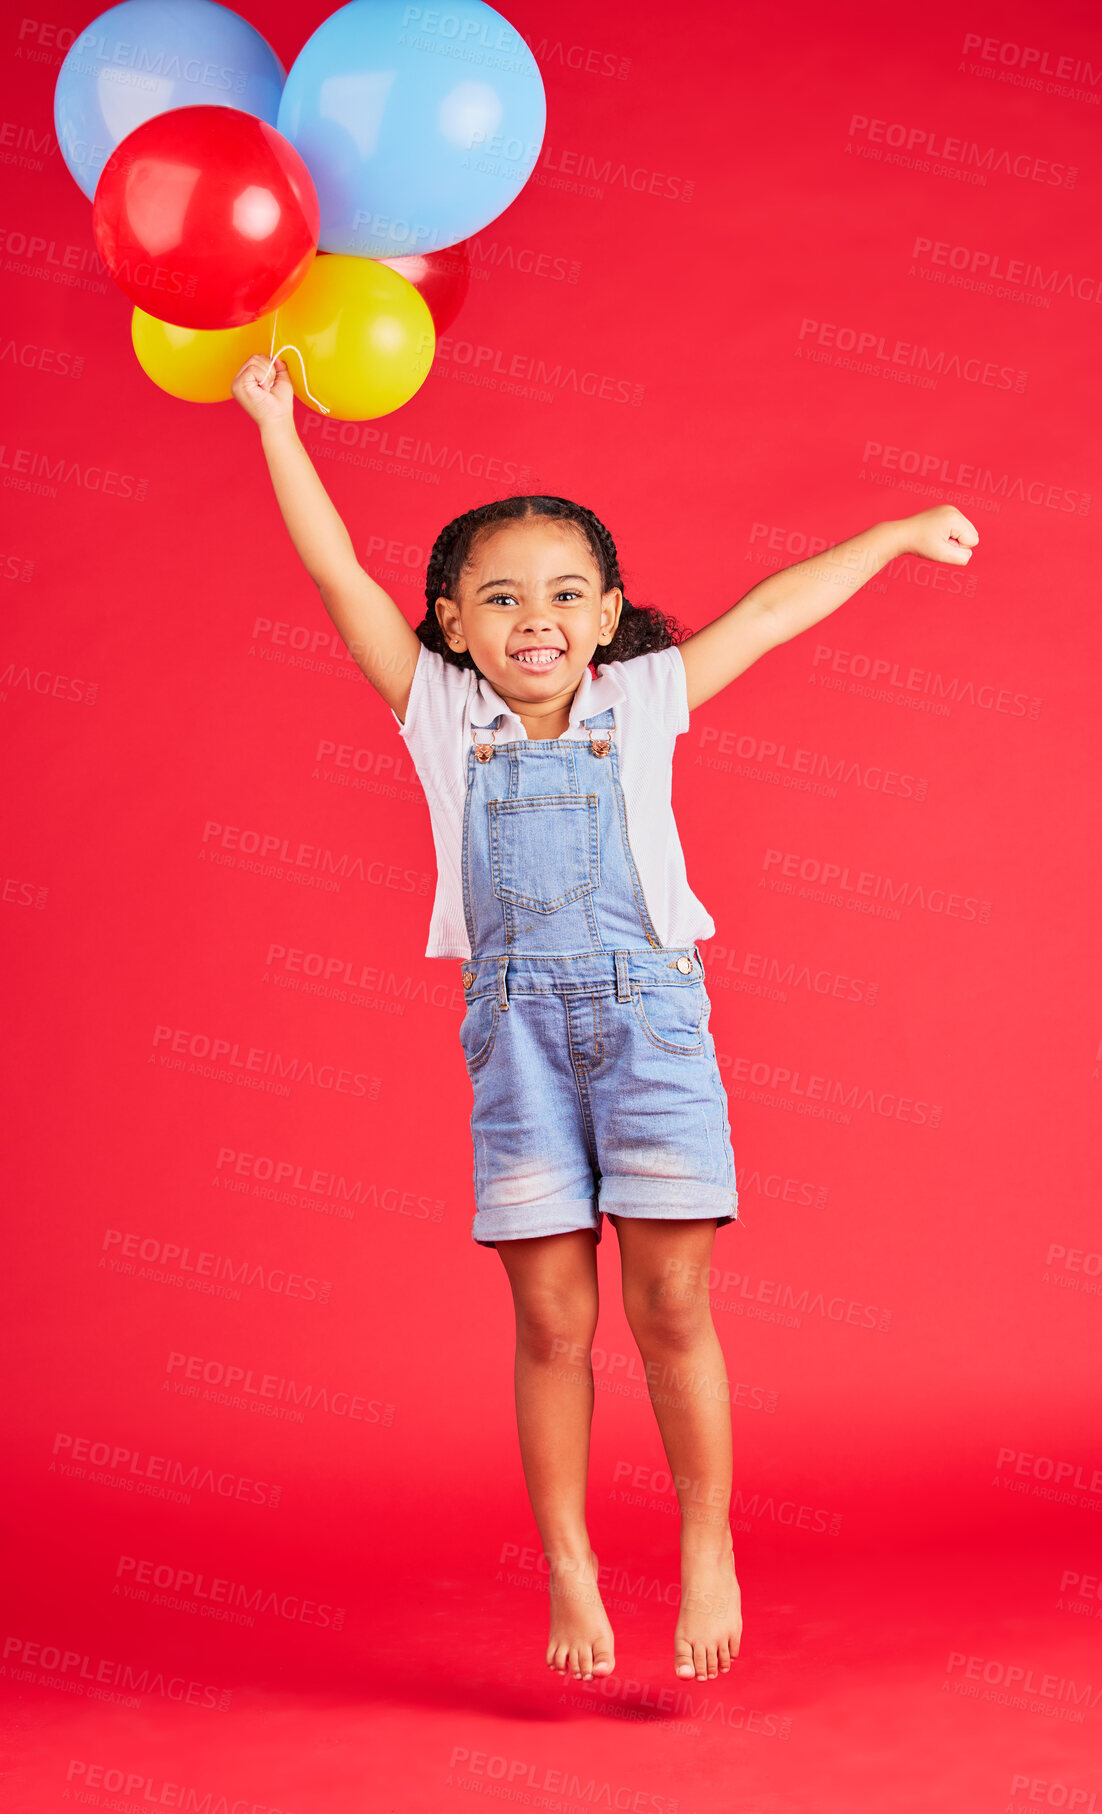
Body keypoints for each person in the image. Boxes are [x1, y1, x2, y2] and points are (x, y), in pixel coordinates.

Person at [232, 353, 979, 1687]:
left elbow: (769, 610)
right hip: (516, 1036)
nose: (536, 615)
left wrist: (892, 531)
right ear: (452, 623)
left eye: (566, 593)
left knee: (672, 1301)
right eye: (501, 595)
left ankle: (705, 1539)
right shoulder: (435, 712)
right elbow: (337, 573)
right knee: (550, 1323)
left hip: (654, 1028)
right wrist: (276, 424)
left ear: (607, 615)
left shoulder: (643, 700)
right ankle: (569, 1560)